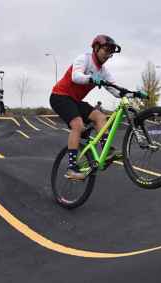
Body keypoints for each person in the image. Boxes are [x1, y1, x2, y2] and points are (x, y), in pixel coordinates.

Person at [49, 34, 127, 180]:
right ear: (96, 48)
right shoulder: (84, 59)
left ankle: (106, 151)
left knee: (100, 117)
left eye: (110, 52)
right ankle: (71, 169)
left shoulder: (103, 71)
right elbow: (75, 76)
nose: (108, 54)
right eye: (106, 50)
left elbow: (115, 89)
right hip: (59, 96)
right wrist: (91, 78)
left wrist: (130, 94)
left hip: (75, 100)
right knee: (77, 125)